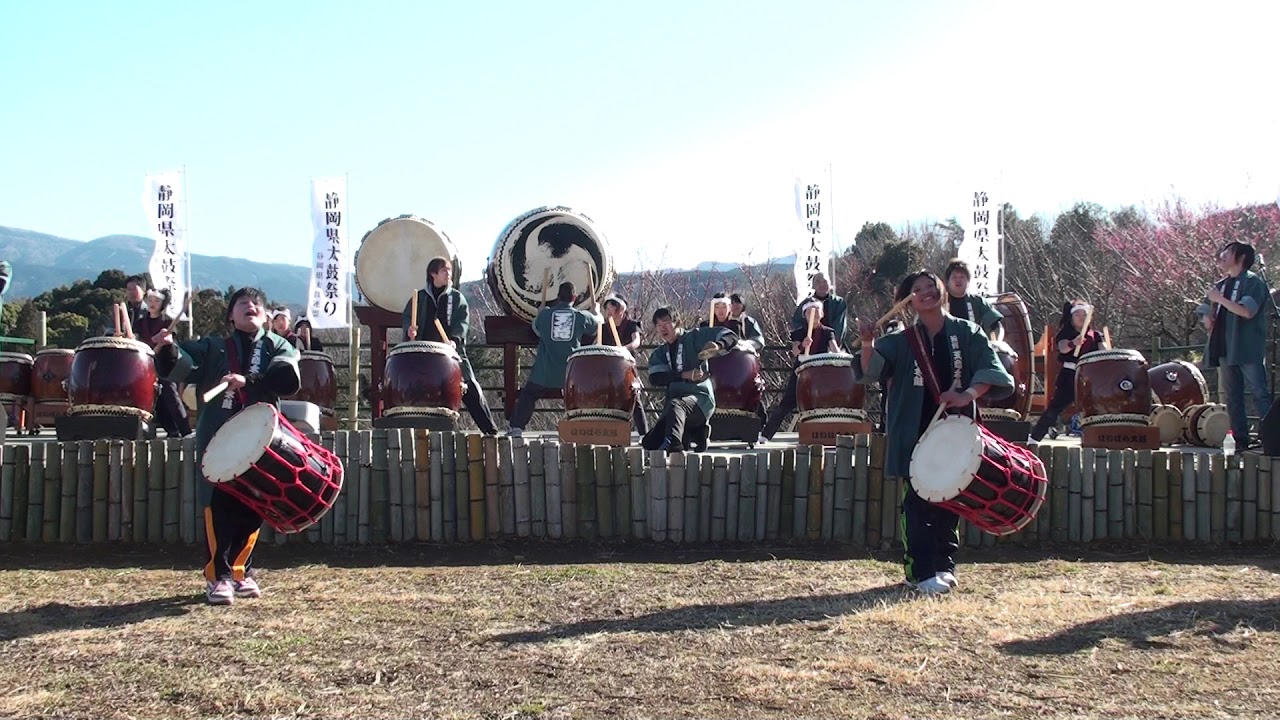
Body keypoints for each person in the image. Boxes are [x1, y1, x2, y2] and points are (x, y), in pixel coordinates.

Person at [854, 271, 1013, 594]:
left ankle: (944, 564)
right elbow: (869, 371)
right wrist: (869, 342)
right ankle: (921, 571)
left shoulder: (967, 332)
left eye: (931, 286)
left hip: (954, 427)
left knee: (951, 498)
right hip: (914, 431)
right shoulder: (901, 340)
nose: (926, 292)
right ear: (906, 300)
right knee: (917, 501)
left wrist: (967, 395)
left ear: (942, 291)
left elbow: (991, 370)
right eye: (917, 289)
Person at [151, 287, 300, 605]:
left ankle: (241, 571)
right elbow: (182, 364)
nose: (251, 306)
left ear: (266, 315)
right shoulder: (213, 347)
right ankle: (217, 576)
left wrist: (252, 382)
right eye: (242, 303)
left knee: (254, 503)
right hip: (218, 437)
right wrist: (167, 349)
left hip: (261, 439)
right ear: (230, 316)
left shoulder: (277, 345)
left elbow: (286, 378)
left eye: (257, 303)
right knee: (218, 504)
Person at [402, 256, 499, 435]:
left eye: (449, 271)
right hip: (424, 356)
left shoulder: (456, 298)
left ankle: (490, 431)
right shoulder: (419, 298)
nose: (449, 274)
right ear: (433, 274)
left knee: (470, 388)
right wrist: (410, 331)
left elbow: (462, 322)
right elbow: (408, 319)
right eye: (444, 270)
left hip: (452, 353)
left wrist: (455, 339)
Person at [1198, 241, 1274, 448]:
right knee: (1233, 396)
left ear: (1241, 258)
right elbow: (1205, 307)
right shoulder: (1221, 285)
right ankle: (1241, 440)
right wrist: (1207, 318)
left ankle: (1271, 439)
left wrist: (1220, 300)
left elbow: (1247, 311)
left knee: (1259, 392)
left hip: (1247, 348)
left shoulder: (1253, 282)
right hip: (1225, 347)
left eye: (1228, 252)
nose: (1222, 256)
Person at [507, 282, 600, 437]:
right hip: (571, 375)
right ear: (574, 297)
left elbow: (536, 329)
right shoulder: (580, 316)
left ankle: (516, 427)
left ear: (557, 297)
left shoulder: (546, 315)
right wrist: (595, 312)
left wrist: (540, 312)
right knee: (582, 396)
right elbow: (596, 325)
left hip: (545, 373)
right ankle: (582, 429)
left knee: (529, 394)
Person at [643, 307, 738, 453]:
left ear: (678, 322)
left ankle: (674, 445)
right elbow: (655, 378)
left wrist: (718, 345)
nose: (663, 329)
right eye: (659, 325)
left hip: (700, 399)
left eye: (666, 323)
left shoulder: (695, 337)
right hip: (674, 408)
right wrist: (684, 375)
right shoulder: (660, 352)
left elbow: (730, 335)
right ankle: (696, 433)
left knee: (677, 405)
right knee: (649, 442)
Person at [759, 299, 841, 443]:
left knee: (822, 404)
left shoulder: (828, 332)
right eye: (810, 311)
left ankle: (826, 436)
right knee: (787, 403)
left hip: (821, 373)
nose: (814, 314)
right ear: (805, 314)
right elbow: (795, 351)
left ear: (822, 314)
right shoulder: (799, 332)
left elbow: (835, 350)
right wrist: (803, 345)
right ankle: (766, 434)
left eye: (817, 311)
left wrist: (840, 359)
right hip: (801, 371)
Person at [1029, 302, 1106, 441]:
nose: (1081, 318)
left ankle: (1097, 438)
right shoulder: (1066, 333)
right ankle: (1034, 438)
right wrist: (1073, 343)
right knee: (1056, 407)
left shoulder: (1096, 335)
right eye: (1077, 314)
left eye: (1084, 315)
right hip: (1071, 374)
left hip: (1091, 377)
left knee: (1096, 408)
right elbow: (1063, 347)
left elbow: (1104, 351)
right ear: (1071, 317)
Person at [584, 293, 649, 436]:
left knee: (634, 399)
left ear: (621, 309)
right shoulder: (604, 327)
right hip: (607, 369)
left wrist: (623, 349)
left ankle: (644, 434)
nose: (609, 311)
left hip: (627, 368)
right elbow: (596, 343)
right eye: (607, 308)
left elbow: (636, 341)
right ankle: (608, 433)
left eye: (612, 307)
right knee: (606, 400)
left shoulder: (631, 324)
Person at [131, 289, 193, 438]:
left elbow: (173, 343)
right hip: (147, 362)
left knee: (171, 396)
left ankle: (186, 432)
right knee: (155, 399)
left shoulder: (167, 321)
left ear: (162, 304)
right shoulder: (140, 322)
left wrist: (166, 339)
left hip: (165, 364)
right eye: (150, 300)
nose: (153, 304)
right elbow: (136, 338)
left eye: (157, 301)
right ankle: (171, 430)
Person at [943, 258, 1004, 340]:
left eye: (962, 277)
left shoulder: (978, 301)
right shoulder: (940, 302)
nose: (958, 280)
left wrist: (997, 341)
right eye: (954, 277)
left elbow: (996, 325)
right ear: (947, 282)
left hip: (975, 347)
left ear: (968, 281)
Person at [791, 273, 848, 349]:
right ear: (813, 286)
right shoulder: (806, 304)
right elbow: (797, 324)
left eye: (825, 281)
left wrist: (832, 343)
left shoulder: (839, 303)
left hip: (831, 346)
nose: (822, 284)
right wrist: (803, 341)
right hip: (809, 347)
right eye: (818, 282)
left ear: (830, 283)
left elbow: (839, 327)